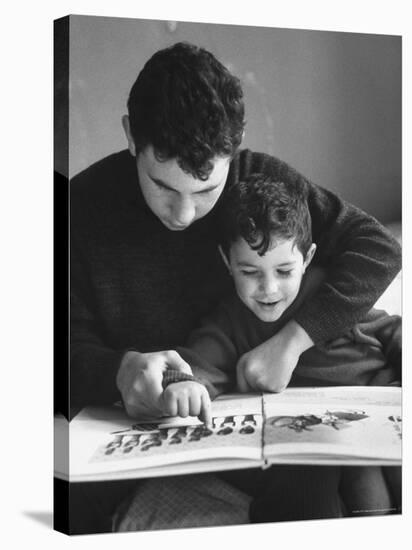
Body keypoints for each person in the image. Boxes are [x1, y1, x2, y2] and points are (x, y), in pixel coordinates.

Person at [69, 42, 401, 533]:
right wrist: (115, 370)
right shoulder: (79, 207)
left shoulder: (262, 183)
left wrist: (291, 344)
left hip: (279, 425)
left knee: (323, 485)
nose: (182, 214)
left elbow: (378, 248)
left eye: (205, 191)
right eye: (162, 185)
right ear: (130, 136)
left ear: (237, 143)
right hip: (150, 422)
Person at [159, 173, 401, 520]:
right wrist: (183, 384)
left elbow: (393, 330)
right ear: (227, 263)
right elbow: (198, 365)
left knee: (381, 483)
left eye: (284, 271)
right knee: (320, 484)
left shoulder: (331, 299)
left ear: (307, 257)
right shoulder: (230, 321)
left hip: (375, 418)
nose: (269, 289)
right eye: (250, 271)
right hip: (311, 446)